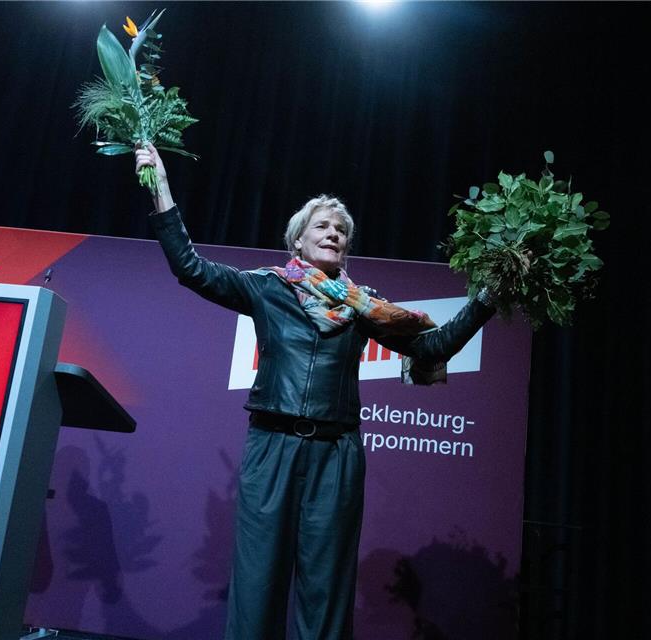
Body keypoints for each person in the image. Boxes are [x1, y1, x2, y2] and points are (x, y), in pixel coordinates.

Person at [135, 143, 498, 640]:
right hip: (272, 446)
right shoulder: (267, 287)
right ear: (298, 241)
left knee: (325, 589)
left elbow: (432, 346)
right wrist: (160, 186)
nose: (334, 234)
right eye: (322, 226)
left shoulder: (365, 306)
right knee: (257, 583)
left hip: (336, 453)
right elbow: (189, 267)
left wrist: (488, 297)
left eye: (341, 231)